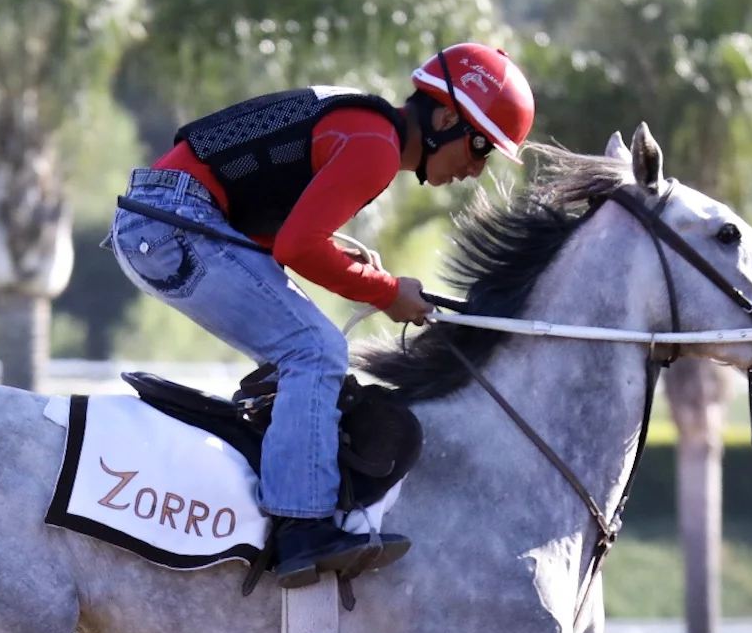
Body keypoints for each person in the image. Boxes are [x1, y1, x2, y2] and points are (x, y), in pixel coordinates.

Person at [110, 43, 536, 588]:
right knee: (313, 350)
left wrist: (338, 251)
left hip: (166, 215)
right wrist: (387, 293)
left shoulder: (368, 129)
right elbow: (297, 248)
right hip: (169, 224)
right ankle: (301, 528)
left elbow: (270, 218)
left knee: (309, 349)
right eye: (480, 145)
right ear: (446, 116)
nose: (477, 168)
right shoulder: (375, 149)